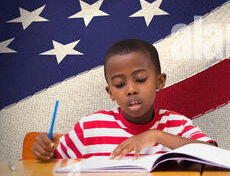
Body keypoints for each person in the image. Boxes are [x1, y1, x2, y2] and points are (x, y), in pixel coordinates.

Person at [32, 39, 215, 160]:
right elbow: (53, 163)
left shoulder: (176, 125)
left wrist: (155, 135)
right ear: (110, 92)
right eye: (120, 84)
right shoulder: (90, 128)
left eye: (141, 79)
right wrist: (44, 151)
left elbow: (214, 155)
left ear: (160, 81)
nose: (131, 90)